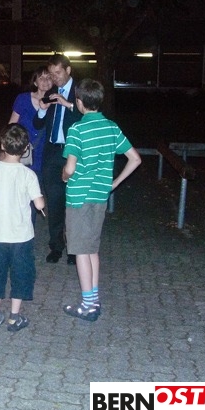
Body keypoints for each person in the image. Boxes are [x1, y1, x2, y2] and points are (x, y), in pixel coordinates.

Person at [61, 79, 142, 321]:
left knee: (80, 251)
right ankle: (94, 299)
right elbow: (135, 159)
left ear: (79, 102)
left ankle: (88, 306)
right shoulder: (112, 128)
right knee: (91, 248)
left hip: (79, 197)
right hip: (99, 196)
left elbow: (70, 168)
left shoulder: (77, 130)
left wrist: (63, 176)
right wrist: (114, 184)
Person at [0, 124, 46, 332]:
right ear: (26, 149)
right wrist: (41, 201)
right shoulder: (28, 174)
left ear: (2, 145)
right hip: (20, 236)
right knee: (21, 273)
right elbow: (39, 204)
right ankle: (14, 317)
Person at [33, 54, 82, 265]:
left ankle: (74, 249)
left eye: (58, 73)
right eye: (51, 74)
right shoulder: (50, 93)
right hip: (52, 153)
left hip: (73, 153)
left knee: (73, 203)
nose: (54, 78)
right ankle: (56, 246)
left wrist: (68, 104)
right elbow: (37, 124)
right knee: (53, 201)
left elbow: (87, 116)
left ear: (68, 70)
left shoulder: (80, 91)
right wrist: (42, 111)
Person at [9, 65, 52, 222]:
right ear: (35, 82)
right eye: (41, 78)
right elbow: (12, 125)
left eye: (48, 77)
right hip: (23, 155)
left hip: (43, 156)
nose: (45, 81)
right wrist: (8, 150)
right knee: (19, 195)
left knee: (35, 195)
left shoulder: (55, 101)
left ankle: (29, 230)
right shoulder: (23, 99)